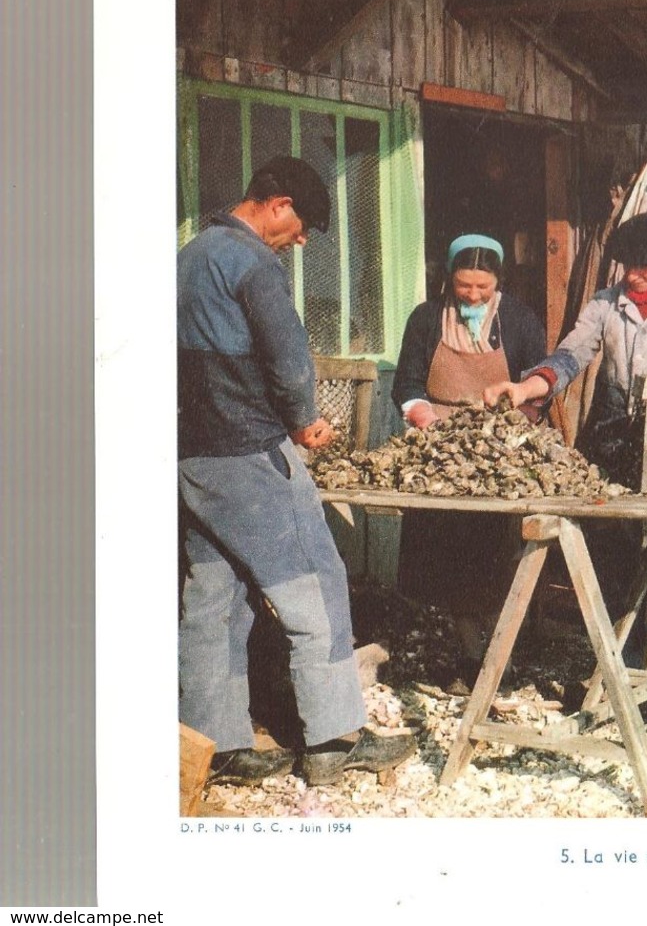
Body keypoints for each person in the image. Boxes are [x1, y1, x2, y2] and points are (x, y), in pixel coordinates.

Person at [178, 156, 416, 786]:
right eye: (304, 224)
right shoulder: (253, 263)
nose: (304, 239)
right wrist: (304, 419)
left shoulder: (188, 256)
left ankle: (215, 747)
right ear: (278, 204)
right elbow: (286, 358)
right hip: (251, 452)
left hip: (192, 455)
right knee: (316, 580)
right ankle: (336, 737)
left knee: (215, 596)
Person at [483, 212, 647, 719]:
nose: (634, 276)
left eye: (645, 268)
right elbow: (572, 355)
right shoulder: (604, 304)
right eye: (628, 268)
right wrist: (529, 387)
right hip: (616, 432)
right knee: (615, 561)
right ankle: (625, 677)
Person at [392, 234, 549, 693]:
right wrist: (422, 415)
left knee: (498, 553)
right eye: (464, 286)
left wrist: (508, 431)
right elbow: (406, 382)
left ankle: (503, 656)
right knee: (449, 557)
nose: (473, 295)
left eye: (483, 287)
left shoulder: (519, 320)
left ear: (498, 281)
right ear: (449, 279)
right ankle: (468, 653)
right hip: (442, 452)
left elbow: (536, 383)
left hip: (500, 454)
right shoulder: (425, 319)